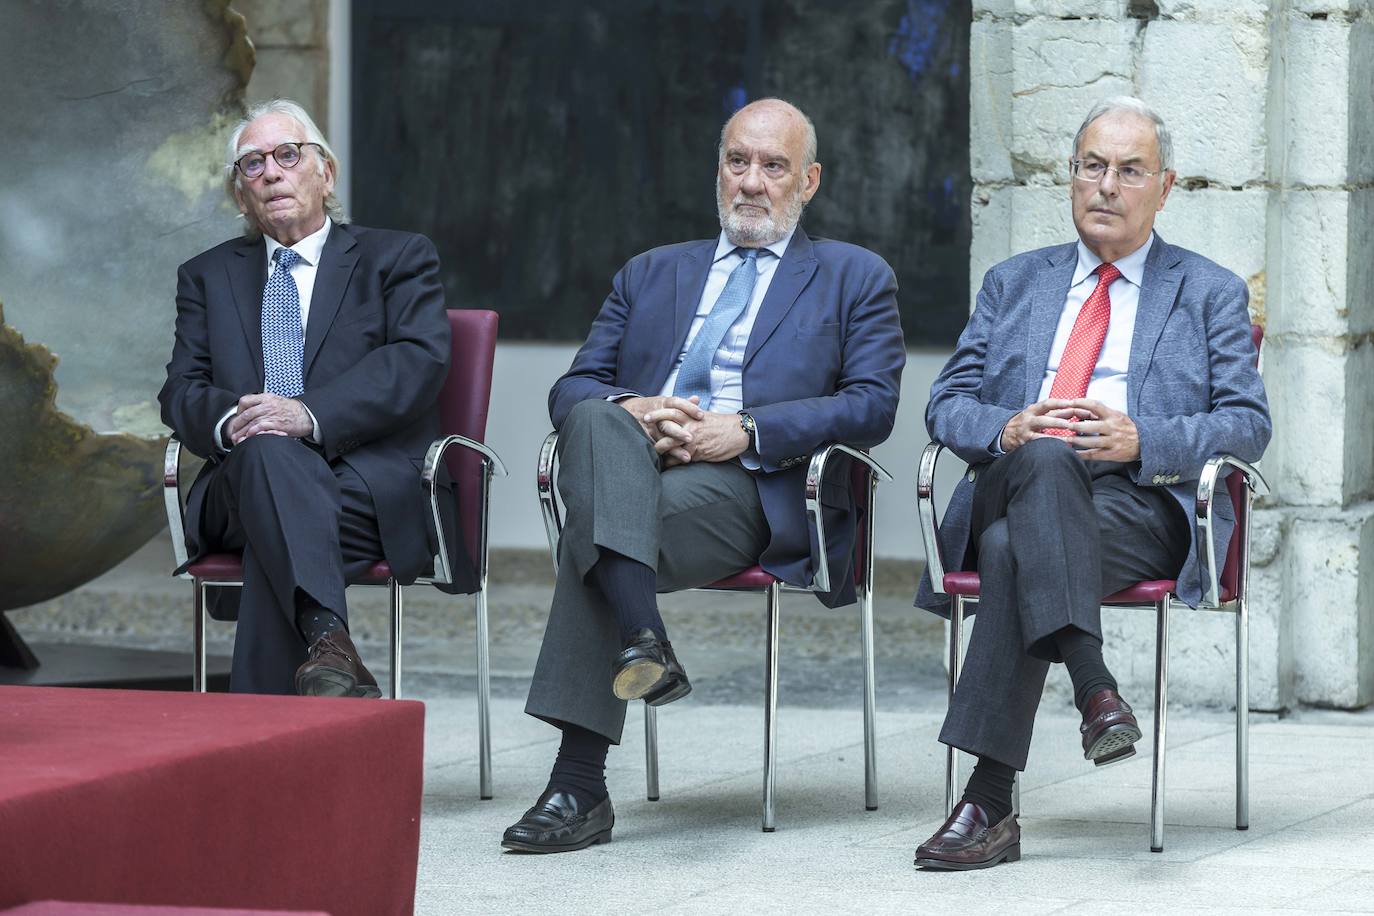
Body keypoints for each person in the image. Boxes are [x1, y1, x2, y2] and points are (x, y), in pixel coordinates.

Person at [500, 98, 906, 853]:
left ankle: (578, 783)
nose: (751, 182)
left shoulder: (853, 277)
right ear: (718, 170)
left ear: (808, 180)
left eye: (773, 166)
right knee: (595, 418)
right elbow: (575, 387)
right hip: (642, 470)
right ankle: (643, 642)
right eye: (737, 162)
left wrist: (745, 429)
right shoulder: (650, 272)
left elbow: (872, 405)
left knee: (588, 533)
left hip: (753, 487)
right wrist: (638, 410)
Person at [913, 96, 1271, 870]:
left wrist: (1146, 438)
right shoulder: (1014, 283)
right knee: (1043, 460)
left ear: (1165, 187)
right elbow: (946, 403)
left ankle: (989, 803)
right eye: (1092, 167)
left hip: (1137, 502)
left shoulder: (1208, 291)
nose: (1107, 185)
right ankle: (1094, 687)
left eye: (1130, 171)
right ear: (1071, 177)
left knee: (1012, 550)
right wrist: (1008, 429)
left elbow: (1248, 424)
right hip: (1017, 475)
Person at [159, 98, 471, 697]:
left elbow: (416, 361)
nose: (271, 172)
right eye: (253, 165)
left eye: (287, 155)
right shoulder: (205, 275)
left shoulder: (397, 258)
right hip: (241, 482)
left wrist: (307, 416)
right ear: (240, 195)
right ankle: (329, 645)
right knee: (267, 456)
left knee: (273, 527)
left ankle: (314, 674)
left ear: (325, 173)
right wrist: (235, 424)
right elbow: (181, 388)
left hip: (364, 491)